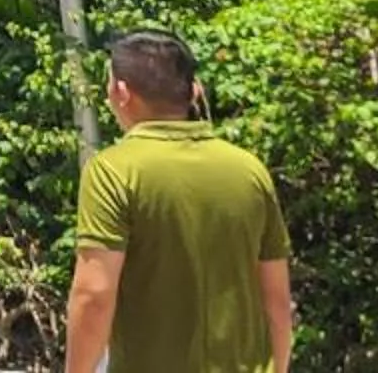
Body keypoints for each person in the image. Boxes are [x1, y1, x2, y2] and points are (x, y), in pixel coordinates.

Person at [67, 30, 292, 373]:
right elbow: (276, 300)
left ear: (121, 93)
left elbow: (94, 295)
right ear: (194, 91)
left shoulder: (113, 171)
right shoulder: (249, 170)